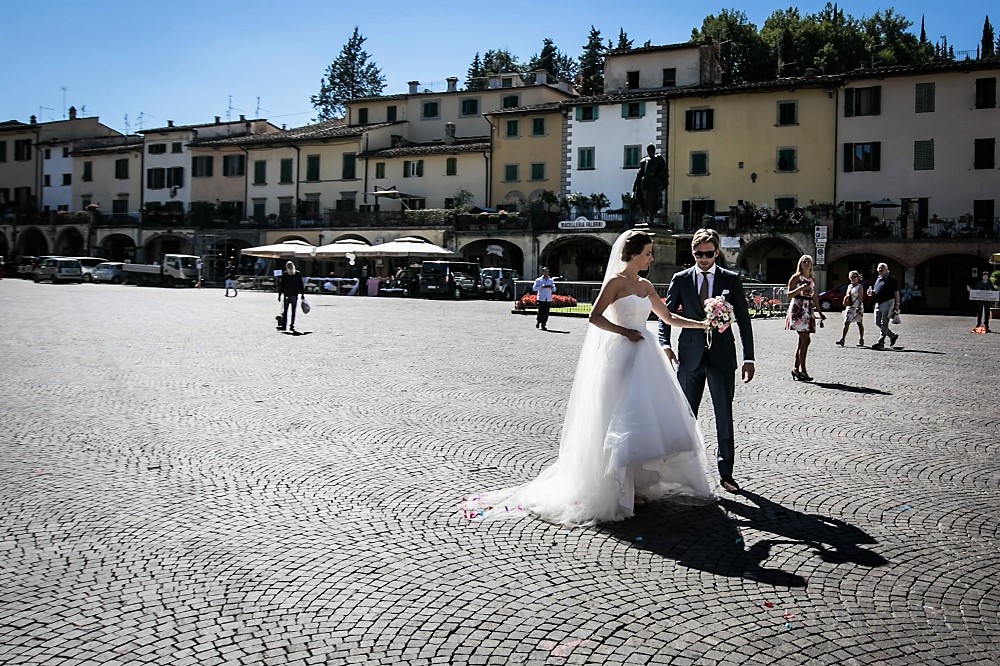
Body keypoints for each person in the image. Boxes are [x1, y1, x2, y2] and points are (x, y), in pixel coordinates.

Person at [466, 230, 714, 526]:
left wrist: (702, 324)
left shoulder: (646, 285)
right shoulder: (615, 283)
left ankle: (634, 484)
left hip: (645, 354)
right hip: (622, 353)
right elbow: (595, 316)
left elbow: (668, 318)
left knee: (644, 418)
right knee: (618, 416)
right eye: (647, 252)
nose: (651, 258)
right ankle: (614, 486)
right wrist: (625, 332)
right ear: (634, 254)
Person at [659, 228, 755, 494]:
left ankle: (727, 473)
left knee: (724, 415)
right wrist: (664, 344)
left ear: (717, 252)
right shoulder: (680, 279)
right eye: (698, 254)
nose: (703, 258)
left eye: (709, 254)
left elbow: (744, 321)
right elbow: (665, 315)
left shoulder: (731, 279)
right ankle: (682, 472)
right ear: (692, 252)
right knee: (684, 417)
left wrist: (749, 357)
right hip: (689, 357)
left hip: (722, 358)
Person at [785, 255, 825, 380]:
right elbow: (789, 295)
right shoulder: (796, 277)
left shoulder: (812, 278)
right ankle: (803, 370)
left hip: (808, 309)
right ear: (800, 264)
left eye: (808, 261)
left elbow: (814, 297)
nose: (806, 263)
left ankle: (796, 369)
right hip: (798, 309)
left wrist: (819, 312)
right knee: (806, 340)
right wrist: (799, 288)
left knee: (802, 341)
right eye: (804, 261)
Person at [632, 143, 668, 225]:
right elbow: (640, 174)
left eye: (652, 150)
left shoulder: (658, 159)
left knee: (652, 200)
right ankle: (646, 217)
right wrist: (634, 186)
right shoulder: (644, 161)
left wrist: (656, 175)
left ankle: (651, 217)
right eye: (649, 150)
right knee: (644, 201)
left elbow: (664, 170)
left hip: (654, 183)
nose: (651, 151)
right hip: (644, 183)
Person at [868, 262, 900, 349]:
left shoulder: (891, 279)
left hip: (888, 302)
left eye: (882, 268)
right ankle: (892, 336)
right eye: (879, 268)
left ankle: (880, 342)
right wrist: (871, 293)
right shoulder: (878, 278)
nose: (880, 269)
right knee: (877, 322)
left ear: (886, 269)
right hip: (878, 303)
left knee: (884, 322)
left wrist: (897, 304)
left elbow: (896, 292)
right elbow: (876, 290)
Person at [836, 270, 866, 347]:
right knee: (846, 322)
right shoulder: (849, 286)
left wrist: (859, 307)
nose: (853, 278)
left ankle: (861, 339)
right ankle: (842, 339)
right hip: (850, 307)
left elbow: (860, 297)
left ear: (858, 278)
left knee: (859, 323)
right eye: (851, 277)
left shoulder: (859, 286)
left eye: (854, 277)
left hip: (857, 307)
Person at [277, 261, 305, 332]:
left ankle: (284, 325)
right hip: (294, 295)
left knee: (285, 311)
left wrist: (279, 295)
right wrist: (302, 294)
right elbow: (300, 284)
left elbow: (282, 285)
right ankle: (292, 325)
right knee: (293, 311)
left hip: (286, 295)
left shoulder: (285, 274)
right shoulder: (297, 274)